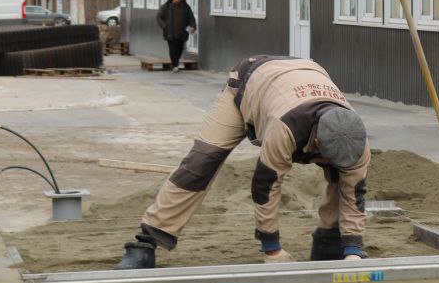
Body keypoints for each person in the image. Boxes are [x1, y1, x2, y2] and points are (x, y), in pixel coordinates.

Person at [115, 55, 372, 269]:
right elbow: (266, 186)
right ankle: (147, 241)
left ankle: (328, 242)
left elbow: (354, 193)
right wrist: (272, 250)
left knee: (342, 179)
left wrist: (353, 249)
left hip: (303, 76)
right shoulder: (285, 129)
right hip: (248, 84)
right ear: (316, 143)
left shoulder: (355, 140)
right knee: (201, 162)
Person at [156, 0, 196, 71]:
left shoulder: (185, 6)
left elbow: (191, 17)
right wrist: (164, 26)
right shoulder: (166, 6)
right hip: (170, 32)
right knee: (172, 49)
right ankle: (175, 65)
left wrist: (193, 26)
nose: (176, 1)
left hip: (182, 32)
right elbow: (158, 17)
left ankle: (175, 62)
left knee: (180, 48)